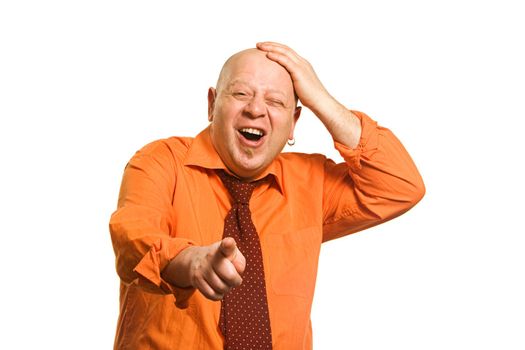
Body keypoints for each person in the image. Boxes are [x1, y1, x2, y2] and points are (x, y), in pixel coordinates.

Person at [109, 41, 425, 349]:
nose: (256, 109)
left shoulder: (311, 182)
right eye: (241, 93)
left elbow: (401, 185)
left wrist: (321, 99)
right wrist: (188, 262)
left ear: (294, 123)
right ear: (211, 105)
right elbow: (132, 240)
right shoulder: (161, 161)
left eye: (275, 102)